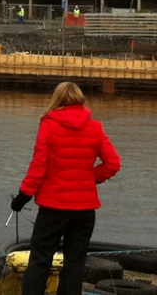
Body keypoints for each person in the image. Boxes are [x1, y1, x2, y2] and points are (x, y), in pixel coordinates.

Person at [10, 82, 121, 295]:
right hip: (85, 210)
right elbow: (113, 163)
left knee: (40, 260)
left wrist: (23, 196)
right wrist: (90, 178)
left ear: (57, 99)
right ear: (81, 100)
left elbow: (38, 166)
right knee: (75, 263)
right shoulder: (95, 127)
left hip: (53, 206)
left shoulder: (49, 124)